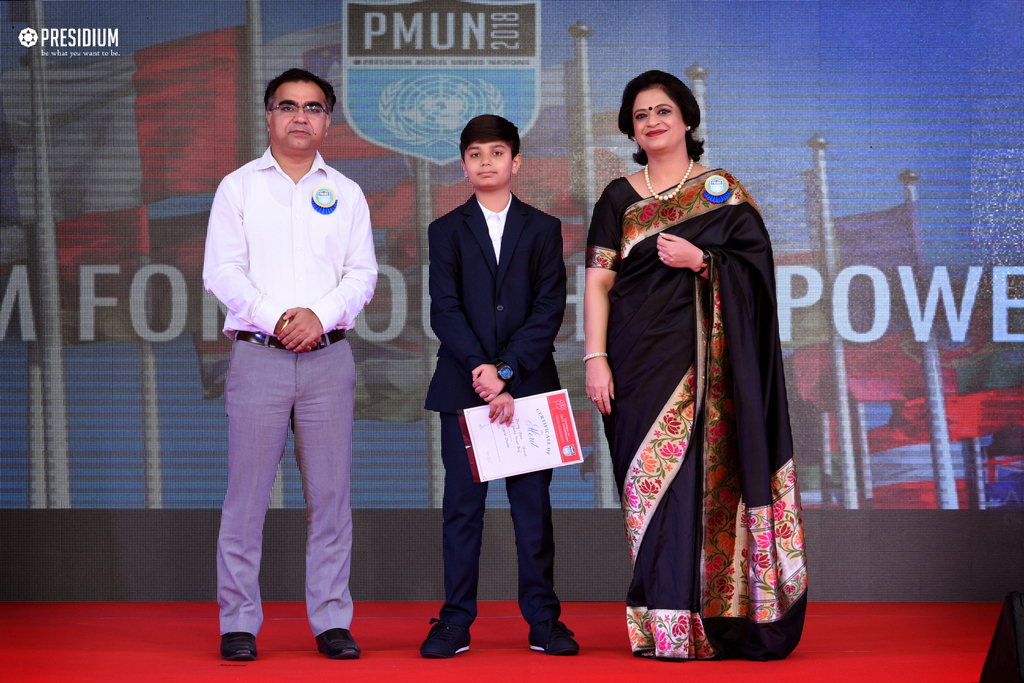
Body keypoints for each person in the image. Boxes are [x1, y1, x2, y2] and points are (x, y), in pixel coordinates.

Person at [583, 70, 807, 661]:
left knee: (694, 485)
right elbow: (599, 283)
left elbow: (756, 276)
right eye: (641, 115)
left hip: (707, 367)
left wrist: (704, 260)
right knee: (648, 490)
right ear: (630, 130)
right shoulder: (618, 198)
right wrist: (595, 357)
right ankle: (660, 622)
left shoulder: (721, 192)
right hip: (633, 364)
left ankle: (700, 621)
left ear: (686, 119)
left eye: (662, 111)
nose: (652, 122)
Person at [203, 68, 377, 662]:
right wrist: (280, 318)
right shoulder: (238, 188)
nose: (301, 117)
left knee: (330, 498)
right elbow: (222, 271)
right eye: (288, 106)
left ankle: (331, 620)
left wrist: (318, 317)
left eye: (313, 107)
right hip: (260, 356)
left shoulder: (347, 192)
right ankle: (238, 623)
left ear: (328, 120)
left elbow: (362, 275)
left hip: (329, 359)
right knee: (246, 497)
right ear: (269, 115)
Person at [420, 114, 577, 658]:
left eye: (496, 153)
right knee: (462, 510)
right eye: (475, 154)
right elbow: (445, 309)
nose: (485, 162)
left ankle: (544, 620)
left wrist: (506, 370)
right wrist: (482, 371)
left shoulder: (544, 227)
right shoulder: (445, 230)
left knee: (532, 511)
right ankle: (455, 621)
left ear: (516, 161)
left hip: (529, 385)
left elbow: (548, 308)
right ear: (463, 165)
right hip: (463, 387)